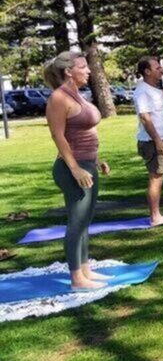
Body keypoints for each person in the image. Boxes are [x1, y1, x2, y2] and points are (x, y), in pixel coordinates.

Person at [44, 52, 111, 289]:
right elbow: (58, 136)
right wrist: (75, 169)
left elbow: (83, 133)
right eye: (83, 67)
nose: (89, 70)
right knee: (76, 222)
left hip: (88, 164)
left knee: (84, 221)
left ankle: (85, 270)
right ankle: (76, 279)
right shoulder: (59, 98)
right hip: (72, 168)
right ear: (68, 71)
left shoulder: (78, 95)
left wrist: (97, 160)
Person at [133, 57, 163, 226]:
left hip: (159, 139)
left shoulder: (154, 90)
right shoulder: (142, 91)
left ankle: (156, 215)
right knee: (155, 179)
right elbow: (145, 118)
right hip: (151, 142)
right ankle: (155, 217)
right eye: (157, 68)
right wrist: (158, 141)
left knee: (158, 177)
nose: (161, 70)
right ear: (147, 71)